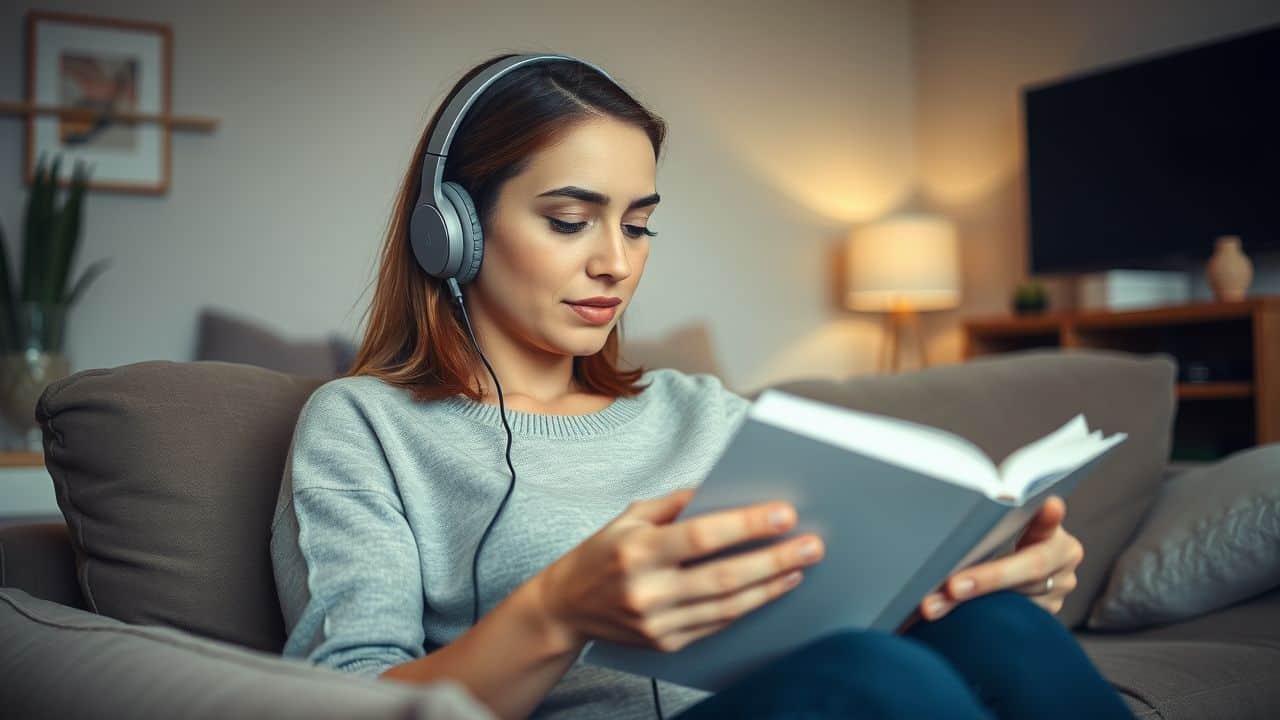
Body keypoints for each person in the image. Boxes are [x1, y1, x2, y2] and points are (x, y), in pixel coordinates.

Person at [269, 53, 1135, 720]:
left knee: (999, 630)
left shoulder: (705, 412)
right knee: (867, 679)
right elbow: (350, 701)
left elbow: (831, 620)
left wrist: (974, 578)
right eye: (570, 220)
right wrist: (558, 610)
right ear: (449, 229)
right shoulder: (366, 426)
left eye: (638, 224)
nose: (615, 262)